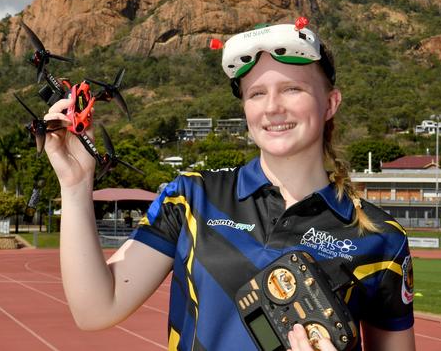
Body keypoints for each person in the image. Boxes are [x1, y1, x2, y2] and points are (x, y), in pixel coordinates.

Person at [43, 18, 416, 351]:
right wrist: (76, 185)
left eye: (292, 90)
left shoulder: (381, 237)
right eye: (256, 94)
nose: (272, 107)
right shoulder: (191, 197)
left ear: (330, 103)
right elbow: (95, 309)